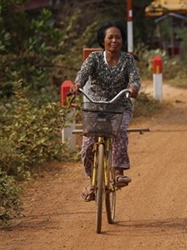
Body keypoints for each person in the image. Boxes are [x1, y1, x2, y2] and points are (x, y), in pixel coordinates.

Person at [70, 21, 141, 202]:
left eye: (118, 37)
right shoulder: (94, 58)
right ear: (103, 40)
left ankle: (118, 172)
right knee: (87, 145)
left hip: (119, 107)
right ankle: (93, 182)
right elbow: (83, 74)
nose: (114, 41)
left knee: (119, 131)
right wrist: (77, 84)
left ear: (122, 40)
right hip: (95, 106)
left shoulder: (128, 60)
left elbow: (135, 78)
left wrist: (133, 88)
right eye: (110, 37)